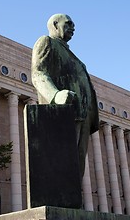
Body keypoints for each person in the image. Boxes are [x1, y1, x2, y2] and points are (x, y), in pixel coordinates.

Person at [31, 13, 99, 179]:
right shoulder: (46, 42)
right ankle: (59, 199)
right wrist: (55, 96)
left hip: (83, 115)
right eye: (68, 24)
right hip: (64, 110)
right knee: (62, 160)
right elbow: (38, 73)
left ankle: (73, 202)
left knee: (77, 164)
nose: (73, 28)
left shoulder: (71, 55)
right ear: (55, 25)